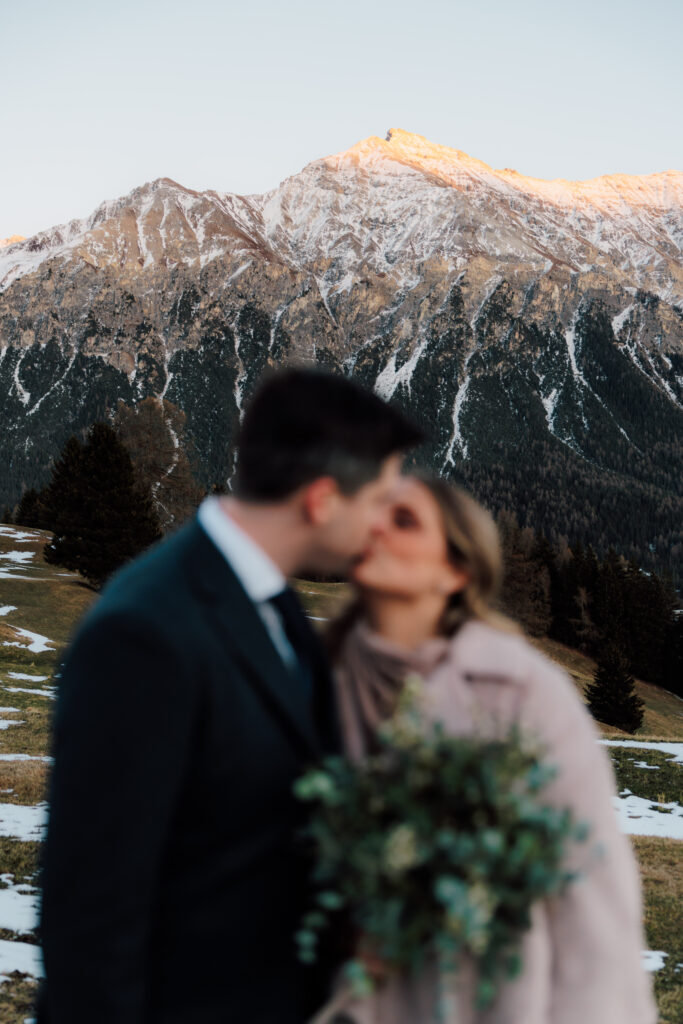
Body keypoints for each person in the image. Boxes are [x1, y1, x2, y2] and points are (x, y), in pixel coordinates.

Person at [37, 367, 423, 1024]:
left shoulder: (272, 608)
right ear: (322, 500)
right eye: (381, 499)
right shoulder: (146, 633)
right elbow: (91, 916)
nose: (388, 524)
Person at [325, 473, 656, 1024]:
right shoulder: (306, 679)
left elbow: (593, 910)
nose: (375, 525)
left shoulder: (521, 696)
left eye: (403, 520)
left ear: (455, 570)